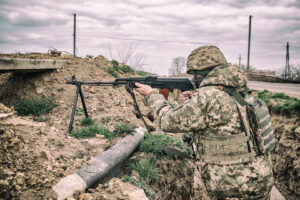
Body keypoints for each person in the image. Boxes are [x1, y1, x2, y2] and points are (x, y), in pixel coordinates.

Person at [135, 46, 274, 200]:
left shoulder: (208, 96)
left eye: (194, 74)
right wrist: (196, 100)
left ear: (199, 72)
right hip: (259, 177)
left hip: (234, 186)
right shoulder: (238, 88)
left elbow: (167, 121)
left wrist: (152, 95)